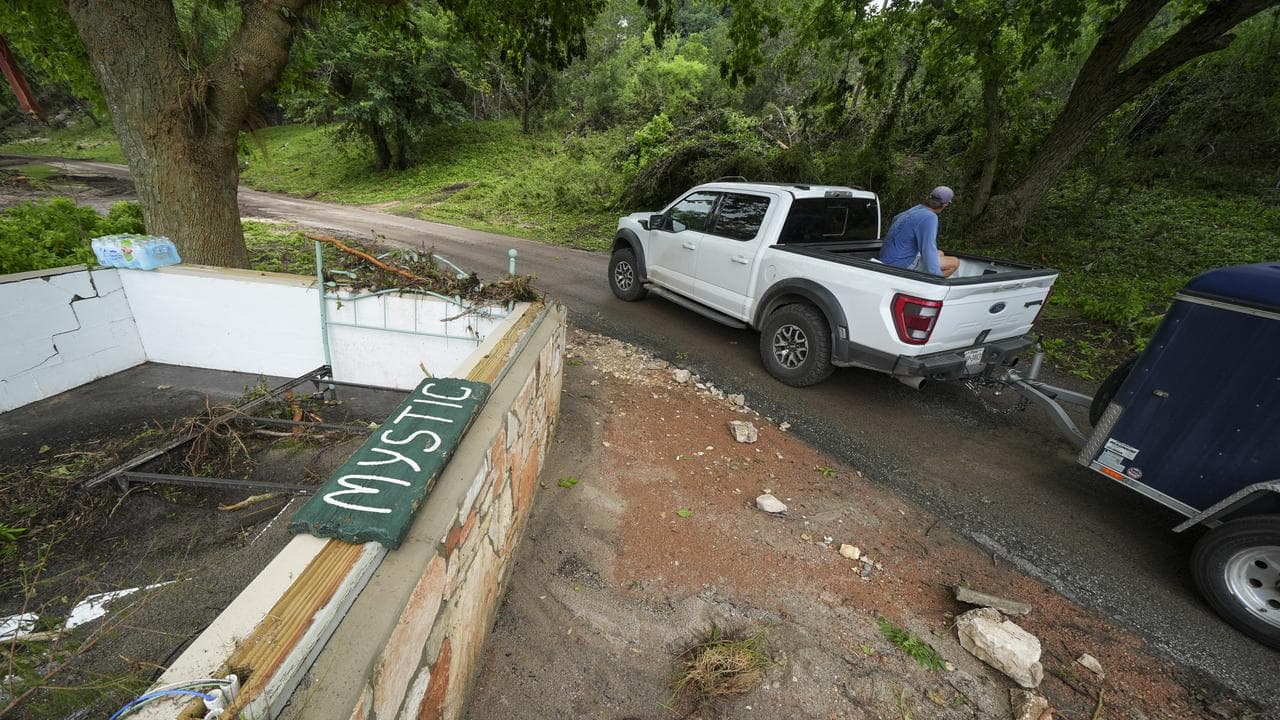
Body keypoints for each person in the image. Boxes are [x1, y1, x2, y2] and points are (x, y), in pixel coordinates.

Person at [878, 186, 960, 277]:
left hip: (886, 258)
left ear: (929, 197)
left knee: (940, 253)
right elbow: (928, 249)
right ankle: (928, 283)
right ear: (945, 204)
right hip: (899, 265)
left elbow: (895, 219)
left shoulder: (916, 209)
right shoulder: (930, 217)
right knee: (954, 262)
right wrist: (936, 276)